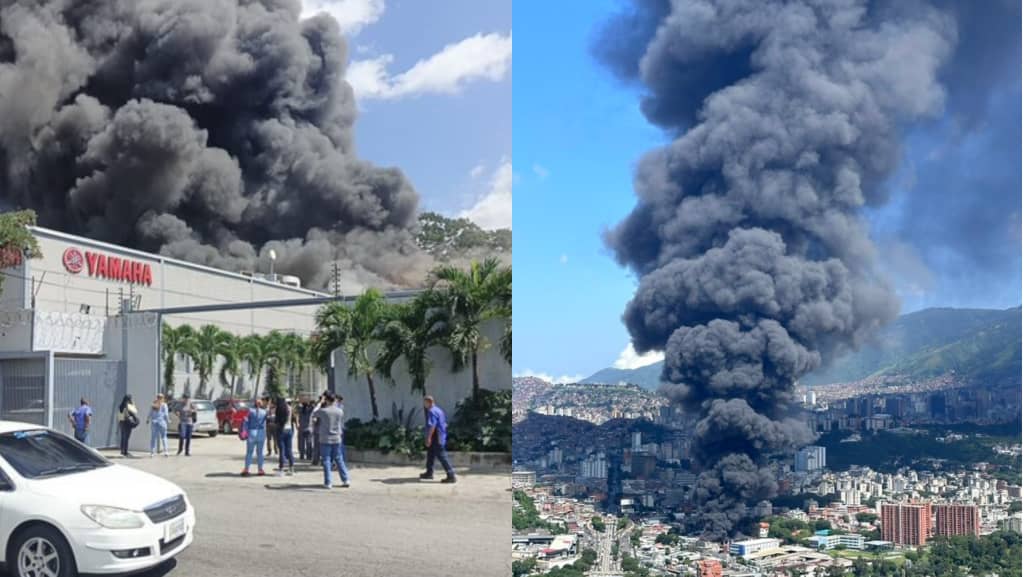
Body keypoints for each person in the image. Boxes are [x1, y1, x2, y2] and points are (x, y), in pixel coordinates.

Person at [313, 392, 349, 489]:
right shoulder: (340, 411)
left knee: (326, 460)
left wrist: (319, 403)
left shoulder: (323, 411)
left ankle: (328, 482)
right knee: (339, 459)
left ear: (327, 400)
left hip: (325, 439)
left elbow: (314, 413)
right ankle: (345, 479)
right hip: (337, 438)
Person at [420, 396, 456, 483]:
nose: (424, 405)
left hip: (436, 436)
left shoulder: (432, 411)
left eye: (425, 403)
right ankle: (429, 473)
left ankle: (451, 475)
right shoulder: (438, 410)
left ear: (429, 402)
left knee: (442, 456)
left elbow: (433, 425)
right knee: (431, 454)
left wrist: (428, 437)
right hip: (440, 434)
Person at [241, 398, 268, 476]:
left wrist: (244, 432)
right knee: (260, 453)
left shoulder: (250, 411)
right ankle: (260, 469)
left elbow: (245, 421)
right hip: (261, 433)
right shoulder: (264, 412)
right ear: (261, 404)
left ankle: (246, 469)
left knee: (249, 452)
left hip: (252, 432)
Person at [275, 395, 295, 475]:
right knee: (289, 449)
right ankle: (291, 467)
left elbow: (277, 420)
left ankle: (281, 469)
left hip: (281, 430)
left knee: (282, 450)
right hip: (289, 429)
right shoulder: (289, 408)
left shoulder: (279, 408)